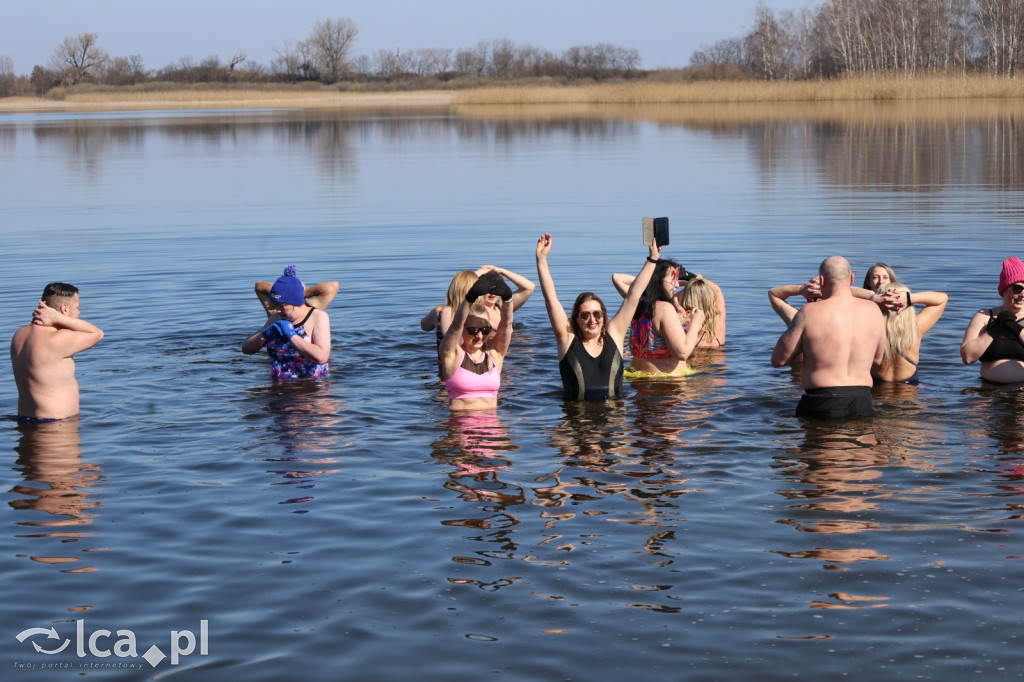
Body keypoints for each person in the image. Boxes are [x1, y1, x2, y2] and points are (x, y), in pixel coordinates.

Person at [535, 233, 660, 401]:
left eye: (597, 314)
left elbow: (633, 295)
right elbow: (551, 299)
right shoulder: (567, 338)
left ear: (603, 316)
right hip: (578, 422)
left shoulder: (615, 334)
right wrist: (541, 260)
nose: (592, 320)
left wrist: (652, 259)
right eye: (585, 315)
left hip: (613, 422)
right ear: (576, 319)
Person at [771, 256, 886, 419]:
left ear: (822, 280)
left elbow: (778, 360)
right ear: (852, 278)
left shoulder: (809, 311)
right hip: (862, 401)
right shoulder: (873, 311)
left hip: (821, 402)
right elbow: (877, 359)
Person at [10, 282, 105, 423]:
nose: (79, 313)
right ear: (64, 309)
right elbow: (97, 334)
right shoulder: (58, 339)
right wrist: (59, 318)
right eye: (78, 308)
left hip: (23, 419)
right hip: (55, 425)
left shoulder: (19, 335)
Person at [439, 270, 514, 412]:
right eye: (473, 330)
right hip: (461, 429)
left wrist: (508, 298)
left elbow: (507, 324)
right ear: (464, 328)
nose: (479, 336)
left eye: (485, 330)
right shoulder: (452, 354)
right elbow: (456, 325)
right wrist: (470, 297)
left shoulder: (495, 354)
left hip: (492, 430)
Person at [242, 265, 331, 379]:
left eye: (282, 306)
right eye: (275, 305)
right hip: (279, 385)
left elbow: (322, 357)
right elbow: (246, 349)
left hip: (310, 386)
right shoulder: (277, 317)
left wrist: (292, 335)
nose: (277, 310)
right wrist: (264, 334)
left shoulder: (318, 317)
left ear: (296, 302)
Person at [623, 258, 705, 375]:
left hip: (637, 379)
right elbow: (682, 353)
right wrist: (696, 323)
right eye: (672, 279)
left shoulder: (637, 304)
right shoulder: (664, 308)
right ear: (657, 280)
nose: (677, 284)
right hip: (667, 384)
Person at [613, 266, 725, 348]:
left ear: (686, 299)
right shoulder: (718, 324)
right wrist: (695, 278)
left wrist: (661, 284)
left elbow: (618, 279)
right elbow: (716, 289)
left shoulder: (680, 320)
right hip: (715, 370)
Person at [421, 265, 535, 341]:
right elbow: (463, 292)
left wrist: (501, 271)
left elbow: (529, 287)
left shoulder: (502, 307)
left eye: (496, 289)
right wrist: (477, 275)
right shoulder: (476, 312)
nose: (492, 293)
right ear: (479, 290)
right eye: (487, 289)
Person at [961, 256, 1024, 384]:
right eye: (1018, 289)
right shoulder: (984, 316)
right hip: (988, 392)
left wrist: (1016, 329)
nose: (1023, 294)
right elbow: (967, 357)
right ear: (1004, 290)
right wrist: (994, 329)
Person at [870, 283, 947, 385]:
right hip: (909, 396)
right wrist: (910, 298)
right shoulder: (915, 329)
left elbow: (846, 292)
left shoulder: (869, 330)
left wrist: (873, 297)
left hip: (876, 394)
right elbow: (942, 299)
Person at [255, 278, 338, 318]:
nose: (279, 309)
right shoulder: (276, 313)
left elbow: (333, 286)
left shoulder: (310, 309)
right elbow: (259, 285)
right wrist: (279, 294)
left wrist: (296, 295)